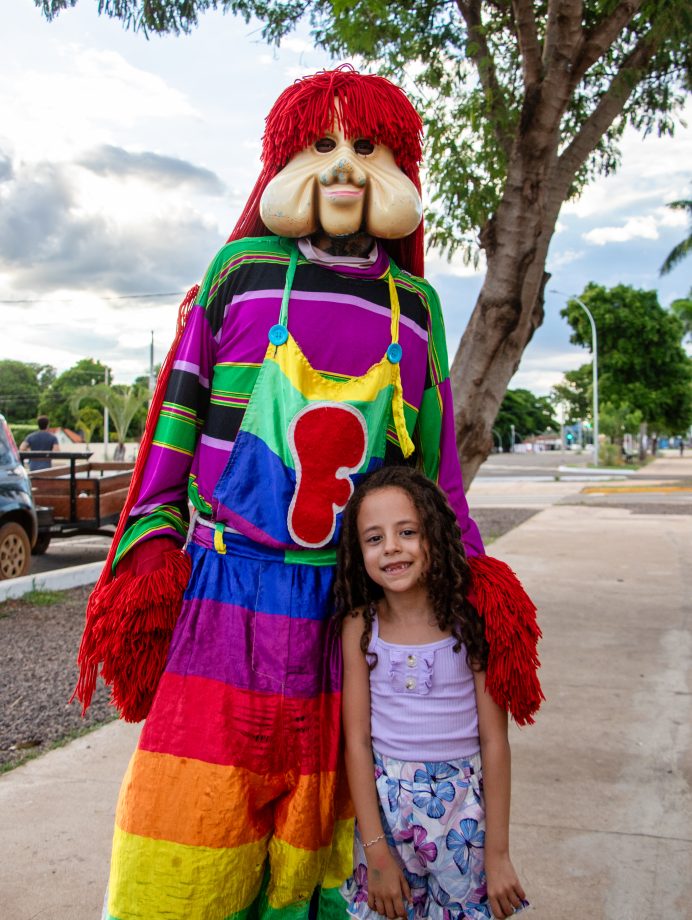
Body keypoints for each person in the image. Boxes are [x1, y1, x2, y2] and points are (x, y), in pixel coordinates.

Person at [74, 66, 542, 920]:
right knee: (188, 828)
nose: (343, 169)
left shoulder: (416, 308)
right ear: (283, 164)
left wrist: (476, 575)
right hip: (224, 599)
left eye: (367, 148)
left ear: (401, 172)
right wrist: (148, 543)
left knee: (313, 850)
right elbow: (173, 424)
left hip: (341, 615)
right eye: (321, 145)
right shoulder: (238, 273)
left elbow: (434, 479)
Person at [336, 467, 529, 920]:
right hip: (383, 816)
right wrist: (376, 854)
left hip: (463, 817)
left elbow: (494, 741)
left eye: (407, 532)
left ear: (435, 535)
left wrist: (497, 854)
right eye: (374, 538)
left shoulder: (470, 622)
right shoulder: (360, 626)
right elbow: (357, 742)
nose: (392, 548)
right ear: (357, 551)